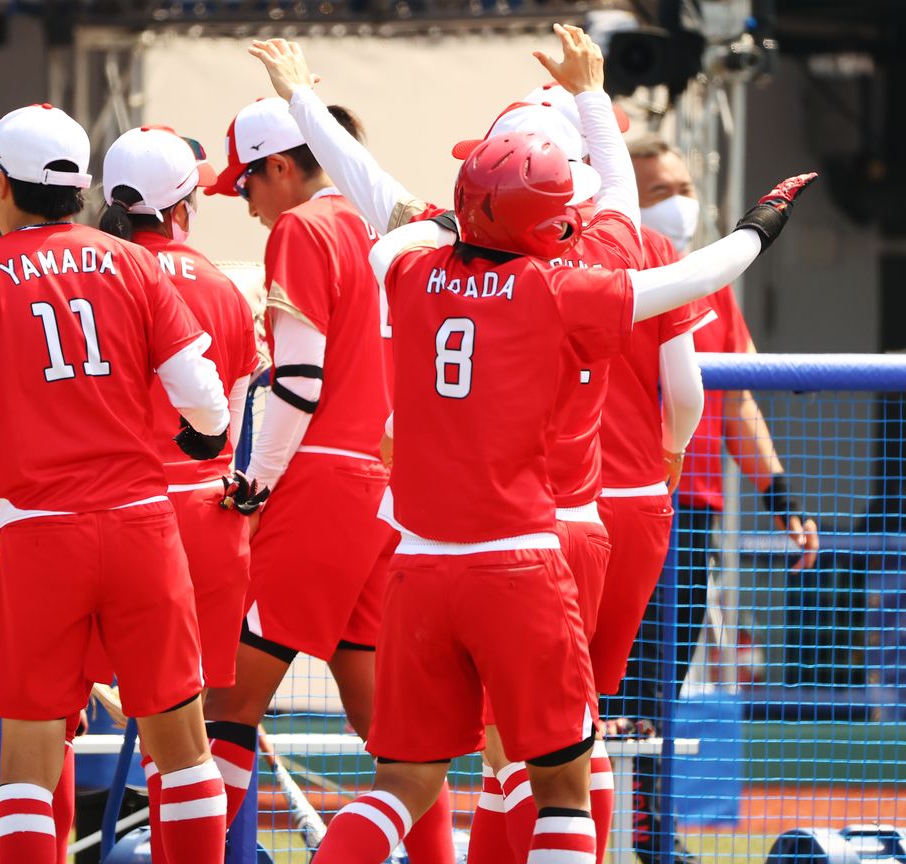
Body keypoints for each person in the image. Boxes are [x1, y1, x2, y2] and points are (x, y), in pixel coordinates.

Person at [307, 90, 816, 864]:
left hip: (418, 567)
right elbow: (708, 266)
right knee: (563, 788)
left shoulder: (409, 269)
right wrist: (765, 218)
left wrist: (311, 104)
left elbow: (383, 207)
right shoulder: (559, 292)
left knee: (401, 785)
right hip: (521, 564)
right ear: (551, 217)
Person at [247, 29, 696, 863]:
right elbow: (633, 235)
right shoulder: (588, 267)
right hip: (565, 529)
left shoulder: (431, 263)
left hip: (449, 542)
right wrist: (599, 107)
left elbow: (375, 191)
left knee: (453, 764)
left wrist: (304, 99)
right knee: (565, 746)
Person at [0, 103, 231, 864]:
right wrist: (207, 436)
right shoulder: (132, 262)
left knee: (27, 764)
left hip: (37, 536)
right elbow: (203, 392)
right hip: (141, 527)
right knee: (184, 752)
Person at [197, 94, 457, 862]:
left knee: (227, 707)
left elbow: (300, 381)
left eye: (245, 183)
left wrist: (252, 485)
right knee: (398, 740)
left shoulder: (305, 227)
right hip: (396, 492)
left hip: (322, 483)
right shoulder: (408, 225)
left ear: (282, 166)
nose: (245, 204)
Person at [599, 133, 822, 864]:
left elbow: (736, 404)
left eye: (683, 187)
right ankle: (582, 827)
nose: (678, 204)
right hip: (604, 506)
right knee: (600, 685)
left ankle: (652, 835)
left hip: (688, 513)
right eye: (659, 190)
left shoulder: (711, 284)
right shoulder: (601, 272)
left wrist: (781, 498)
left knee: (661, 682)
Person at [98, 124, 260, 864]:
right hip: (203, 508)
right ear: (184, 202)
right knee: (198, 725)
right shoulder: (223, 285)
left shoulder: (95, 272)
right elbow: (229, 412)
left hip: (106, 508)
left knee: (45, 719)